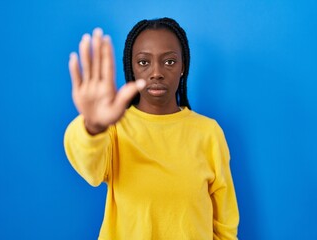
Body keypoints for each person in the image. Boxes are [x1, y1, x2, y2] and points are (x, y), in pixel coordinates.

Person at [64, 17, 239, 240]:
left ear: (183, 66)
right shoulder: (114, 129)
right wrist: (93, 126)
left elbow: (225, 224)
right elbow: (88, 166)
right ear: (132, 68)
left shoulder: (208, 133)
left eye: (169, 62)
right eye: (144, 62)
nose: (156, 72)